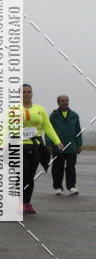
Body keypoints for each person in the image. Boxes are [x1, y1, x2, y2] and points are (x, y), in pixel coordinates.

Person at [21, 84, 62, 213]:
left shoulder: (40, 109)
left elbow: (47, 127)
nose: (26, 94)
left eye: (29, 91)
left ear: (32, 94)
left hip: (36, 147)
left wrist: (57, 141)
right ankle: (19, 202)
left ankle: (27, 203)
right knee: (23, 175)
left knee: (30, 176)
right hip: (19, 146)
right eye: (23, 92)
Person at [46, 95, 82, 196]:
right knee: (57, 168)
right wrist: (48, 144)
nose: (65, 102)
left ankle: (71, 187)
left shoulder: (74, 115)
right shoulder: (53, 115)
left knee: (71, 167)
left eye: (66, 100)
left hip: (71, 147)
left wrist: (79, 144)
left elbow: (78, 131)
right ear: (58, 103)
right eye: (62, 101)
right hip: (58, 146)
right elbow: (48, 130)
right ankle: (58, 187)